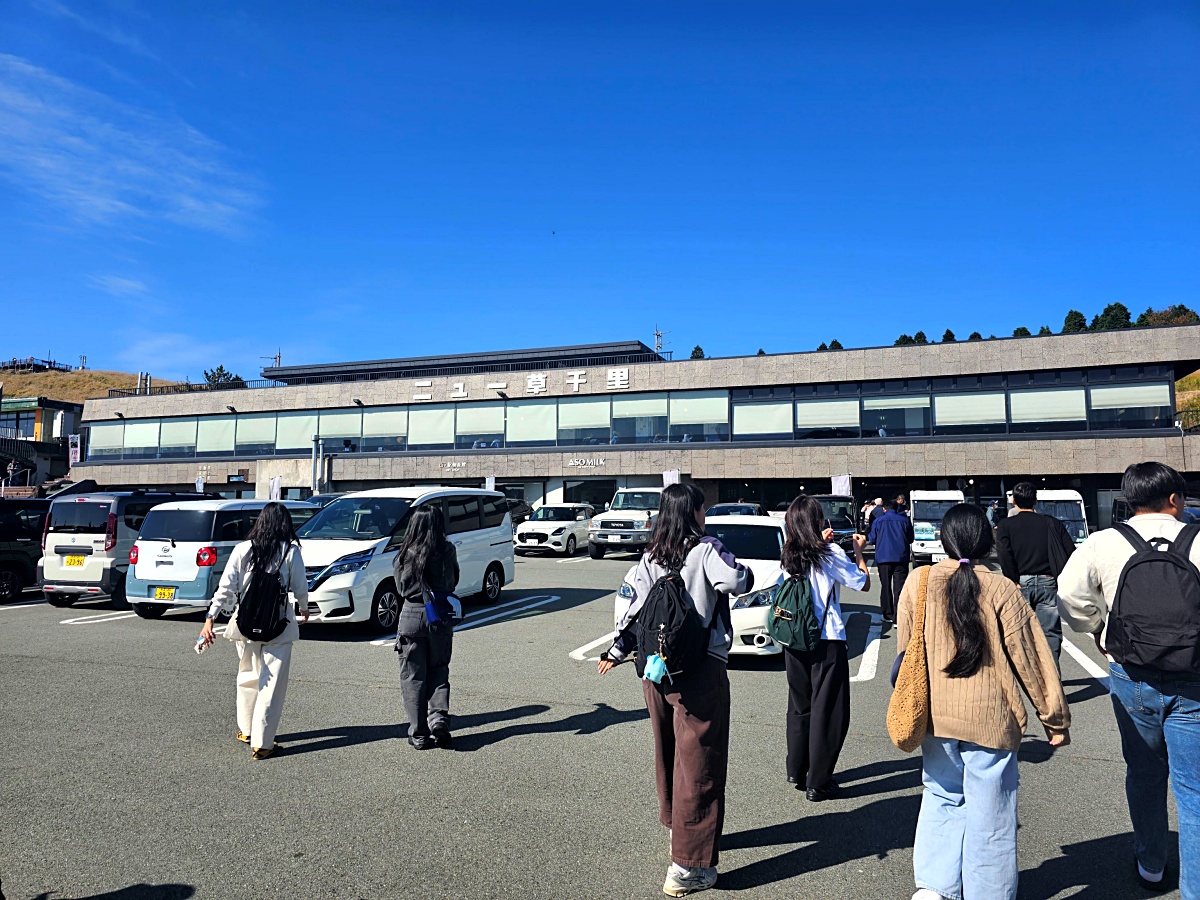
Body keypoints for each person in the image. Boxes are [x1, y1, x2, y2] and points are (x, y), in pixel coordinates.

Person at [899, 503, 1069, 900]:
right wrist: (1054, 719)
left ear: (943, 539)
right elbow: (1031, 657)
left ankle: (934, 887)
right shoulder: (1001, 588)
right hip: (991, 719)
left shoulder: (918, 581)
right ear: (986, 541)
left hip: (935, 715)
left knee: (941, 794)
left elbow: (906, 648)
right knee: (991, 811)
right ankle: (988, 892)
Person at [598, 482, 753, 897]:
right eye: (703, 511)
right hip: (699, 670)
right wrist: (718, 550)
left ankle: (676, 827)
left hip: (655, 670)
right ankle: (689, 865)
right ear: (694, 513)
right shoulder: (705, 550)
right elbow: (740, 581)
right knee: (700, 762)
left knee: (668, 752)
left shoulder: (649, 557)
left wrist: (616, 650)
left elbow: (630, 611)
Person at [1058, 461, 1200, 896]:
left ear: (1129, 499)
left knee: (1143, 772)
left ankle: (1152, 864)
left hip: (1131, 673)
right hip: (1194, 677)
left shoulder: (1103, 542)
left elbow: (1069, 594)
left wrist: (1099, 630)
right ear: (1175, 499)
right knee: (1193, 788)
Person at [198, 502, 309, 760]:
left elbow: (225, 588)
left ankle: (246, 730)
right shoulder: (290, 552)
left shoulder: (242, 549)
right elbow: (300, 587)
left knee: (247, 675)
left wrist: (209, 619)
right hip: (278, 624)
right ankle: (262, 743)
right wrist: (304, 609)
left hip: (245, 622)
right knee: (272, 684)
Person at [781, 495, 871, 801]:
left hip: (794, 640)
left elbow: (808, 557)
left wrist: (818, 541)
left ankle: (797, 769)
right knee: (828, 712)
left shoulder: (789, 553)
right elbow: (862, 583)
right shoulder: (829, 552)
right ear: (817, 522)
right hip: (826, 639)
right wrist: (858, 552)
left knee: (800, 705)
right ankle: (818, 782)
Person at [393, 504, 460, 750]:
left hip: (411, 614)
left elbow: (401, 588)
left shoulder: (405, 552)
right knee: (439, 670)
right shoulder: (447, 549)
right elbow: (453, 580)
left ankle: (419, 733)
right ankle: (439, 722)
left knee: (412, 677)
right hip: (439, 614)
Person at [994, 481, 1076, 669]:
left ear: (1013, 501)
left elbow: (1004, 554)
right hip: (1048, 581)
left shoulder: (1006, 525)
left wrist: (1012, 579)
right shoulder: (1051, 523)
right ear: (1035, 502)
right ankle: (1051, 676)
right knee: (1050, 633)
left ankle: (1027, 676)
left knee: (1018, 631)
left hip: (1019, 583)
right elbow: (1071, 552)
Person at [868, 499, 914, 625]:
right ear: (896, 508)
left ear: (884, 509)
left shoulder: (878, 521)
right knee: (899, 587)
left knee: (885, 586)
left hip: (883, 557)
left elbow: (871, 539)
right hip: (901, 557)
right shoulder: (904, 521)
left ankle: (887, 614)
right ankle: (898, 616)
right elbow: (910, 538)